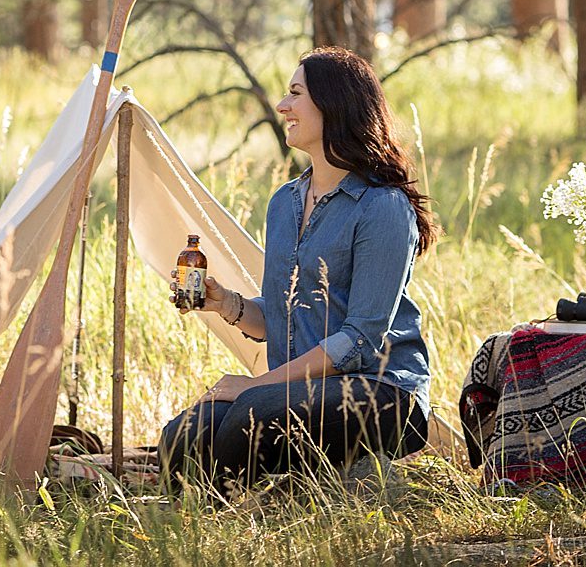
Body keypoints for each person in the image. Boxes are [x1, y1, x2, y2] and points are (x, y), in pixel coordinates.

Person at [160, 46, 437, 489]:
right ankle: (194, 516)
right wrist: (228, 304)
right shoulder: (284, 202)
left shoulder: (382, 206)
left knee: (251, 413)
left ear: (333, 103)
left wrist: (256, 385)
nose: (282, 105)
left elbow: (359, 341)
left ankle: (234, 514)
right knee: (183, 433)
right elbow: (283, 316)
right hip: (298, 390)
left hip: (381, 392)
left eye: (295, 93)